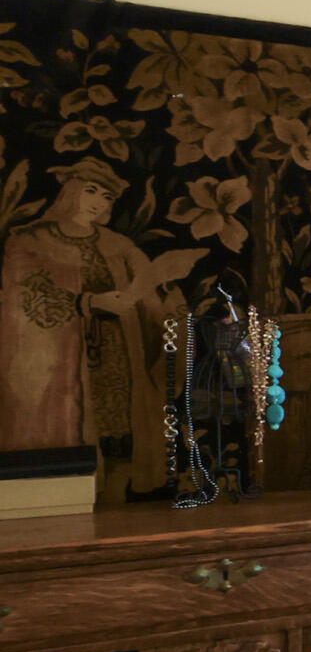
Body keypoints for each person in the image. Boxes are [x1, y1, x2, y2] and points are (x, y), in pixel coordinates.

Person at [0, 157, 202, 500]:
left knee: (119, 432)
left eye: (107, 196)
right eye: (90, 190)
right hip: (59, 363)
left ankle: (115, 499)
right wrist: (90, 303)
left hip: (118, 356)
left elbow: (149, 295)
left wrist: (172, 306)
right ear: (70, 190)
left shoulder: (119, 246)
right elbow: (25, 299)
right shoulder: (28, 241)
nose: (97, 201)